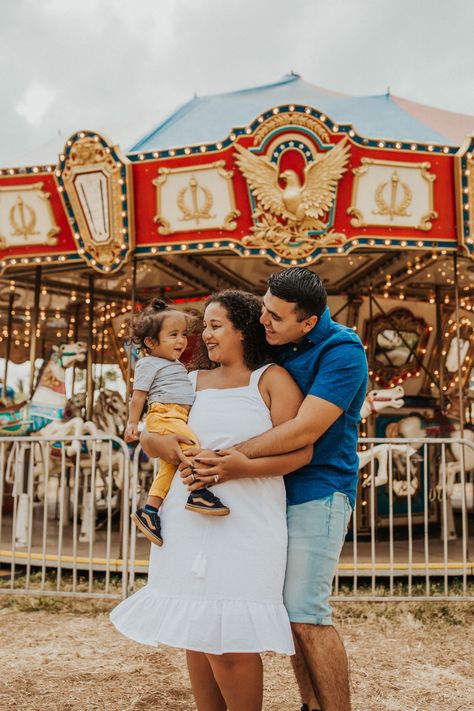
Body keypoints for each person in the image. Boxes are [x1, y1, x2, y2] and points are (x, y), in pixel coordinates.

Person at [111, 289, 312, 711]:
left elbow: (300, 452)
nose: (205, 335)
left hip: (246, 521)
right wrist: (164, 446)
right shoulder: (187, 380)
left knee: (232, 643)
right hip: (188, 521)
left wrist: (235, 466)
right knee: (198, 636)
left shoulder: (271, 380)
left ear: (243, 330)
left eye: (216, 326)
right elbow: (150, 432)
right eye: (205, 326)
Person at [180, 268, 368, 711]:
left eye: (275, 317)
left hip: (317, 487)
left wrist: (232, 458)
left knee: (307, 615)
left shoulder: (341, 350)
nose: (264, 322)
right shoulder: (280, 346)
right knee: (287, 616)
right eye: (263, 310)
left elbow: (305, 428)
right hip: (271, 491)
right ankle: (310, 704)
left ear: (308, 322)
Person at [124, 297, 229, 546]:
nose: (181, 341)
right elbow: (138, 396)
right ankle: (198, 493)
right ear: (151, 342)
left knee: (167, 470)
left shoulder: (173, 364)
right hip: (164, 415)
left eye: (183, 334)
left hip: (176, 416)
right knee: (193, 446)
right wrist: (132, 423)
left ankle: (149, 512)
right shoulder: (148, 364)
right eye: (173, 335)